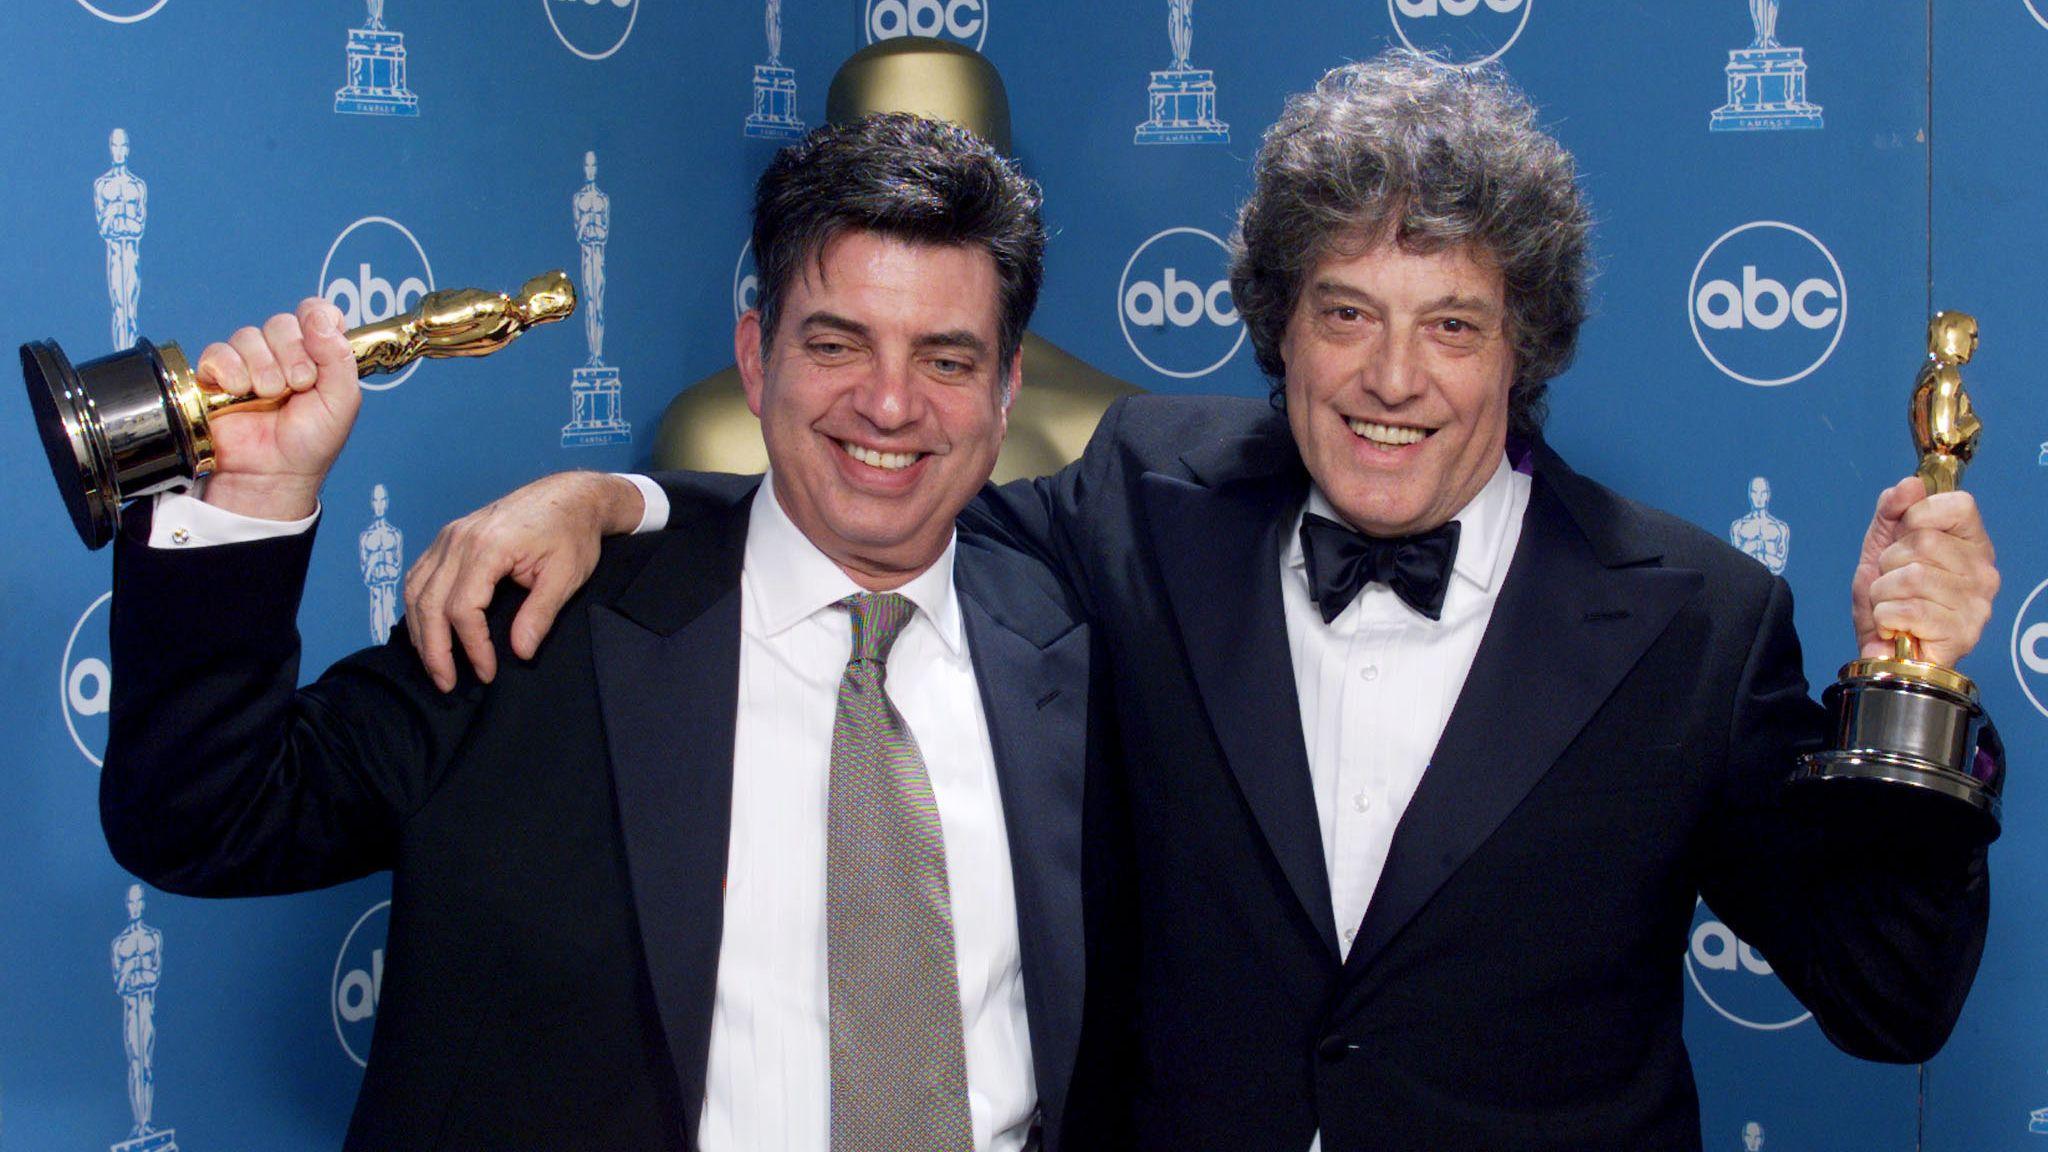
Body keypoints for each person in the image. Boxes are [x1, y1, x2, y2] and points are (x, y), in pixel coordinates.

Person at [403, 52, 2000, 1151]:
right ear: (1275, 330)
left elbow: (1887, 998)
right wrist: (623, 500)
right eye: (1345, 313)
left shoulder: (1694, 620)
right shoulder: (1145, 501)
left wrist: (1917, 687)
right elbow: (873, 496)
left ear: (1528, 351)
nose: (1391, 379)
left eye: (1451, 325)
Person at [101, 113, 1097, 1152]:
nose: (888, 405)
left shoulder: (1080, 649)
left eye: (944, 360)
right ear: (757, 360)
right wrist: (252, 500)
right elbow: (203, 817)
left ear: (1004, 388)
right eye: (836, 343)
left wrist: (622, 494)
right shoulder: (542, 623)